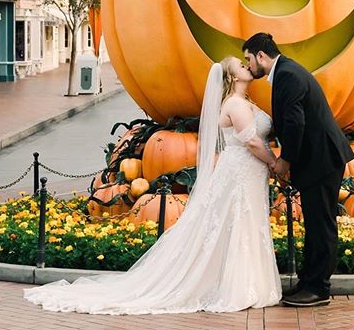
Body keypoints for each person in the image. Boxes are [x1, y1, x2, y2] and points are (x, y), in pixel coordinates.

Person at [23, 57, 281, 315]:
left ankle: (250, 284)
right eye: (240, 64)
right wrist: (276, 163)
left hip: (245, 173)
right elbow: (252, 141)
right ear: (232, 77)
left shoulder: (245, 102)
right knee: (238, 224)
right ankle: (241, 287)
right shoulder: (234, 103)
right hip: (238, 172)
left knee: (244, 224)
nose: (246, 64)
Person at [243, 33, 354, 308]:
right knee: (315, 223)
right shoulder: (285, 72)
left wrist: (285, 161)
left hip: (322, 159)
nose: (248, 66)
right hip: (318, 159)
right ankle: (309, 281)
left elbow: (295, 124)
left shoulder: (288, 76)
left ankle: (318, 288)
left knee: (321, 224)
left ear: (261, 55)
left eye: (248, 59)